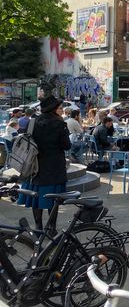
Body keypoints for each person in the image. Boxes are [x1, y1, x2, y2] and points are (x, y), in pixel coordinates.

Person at [17, 95, 71, 234]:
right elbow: (66, 145)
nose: (61, 110)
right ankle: (51, 228)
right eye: (59, 107)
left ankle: (38, 227)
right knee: (53, 199)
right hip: (54, 167)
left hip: (35, 166)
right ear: (53, 109)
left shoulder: (33, 122)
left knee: (36, 198)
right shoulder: (60, 124)